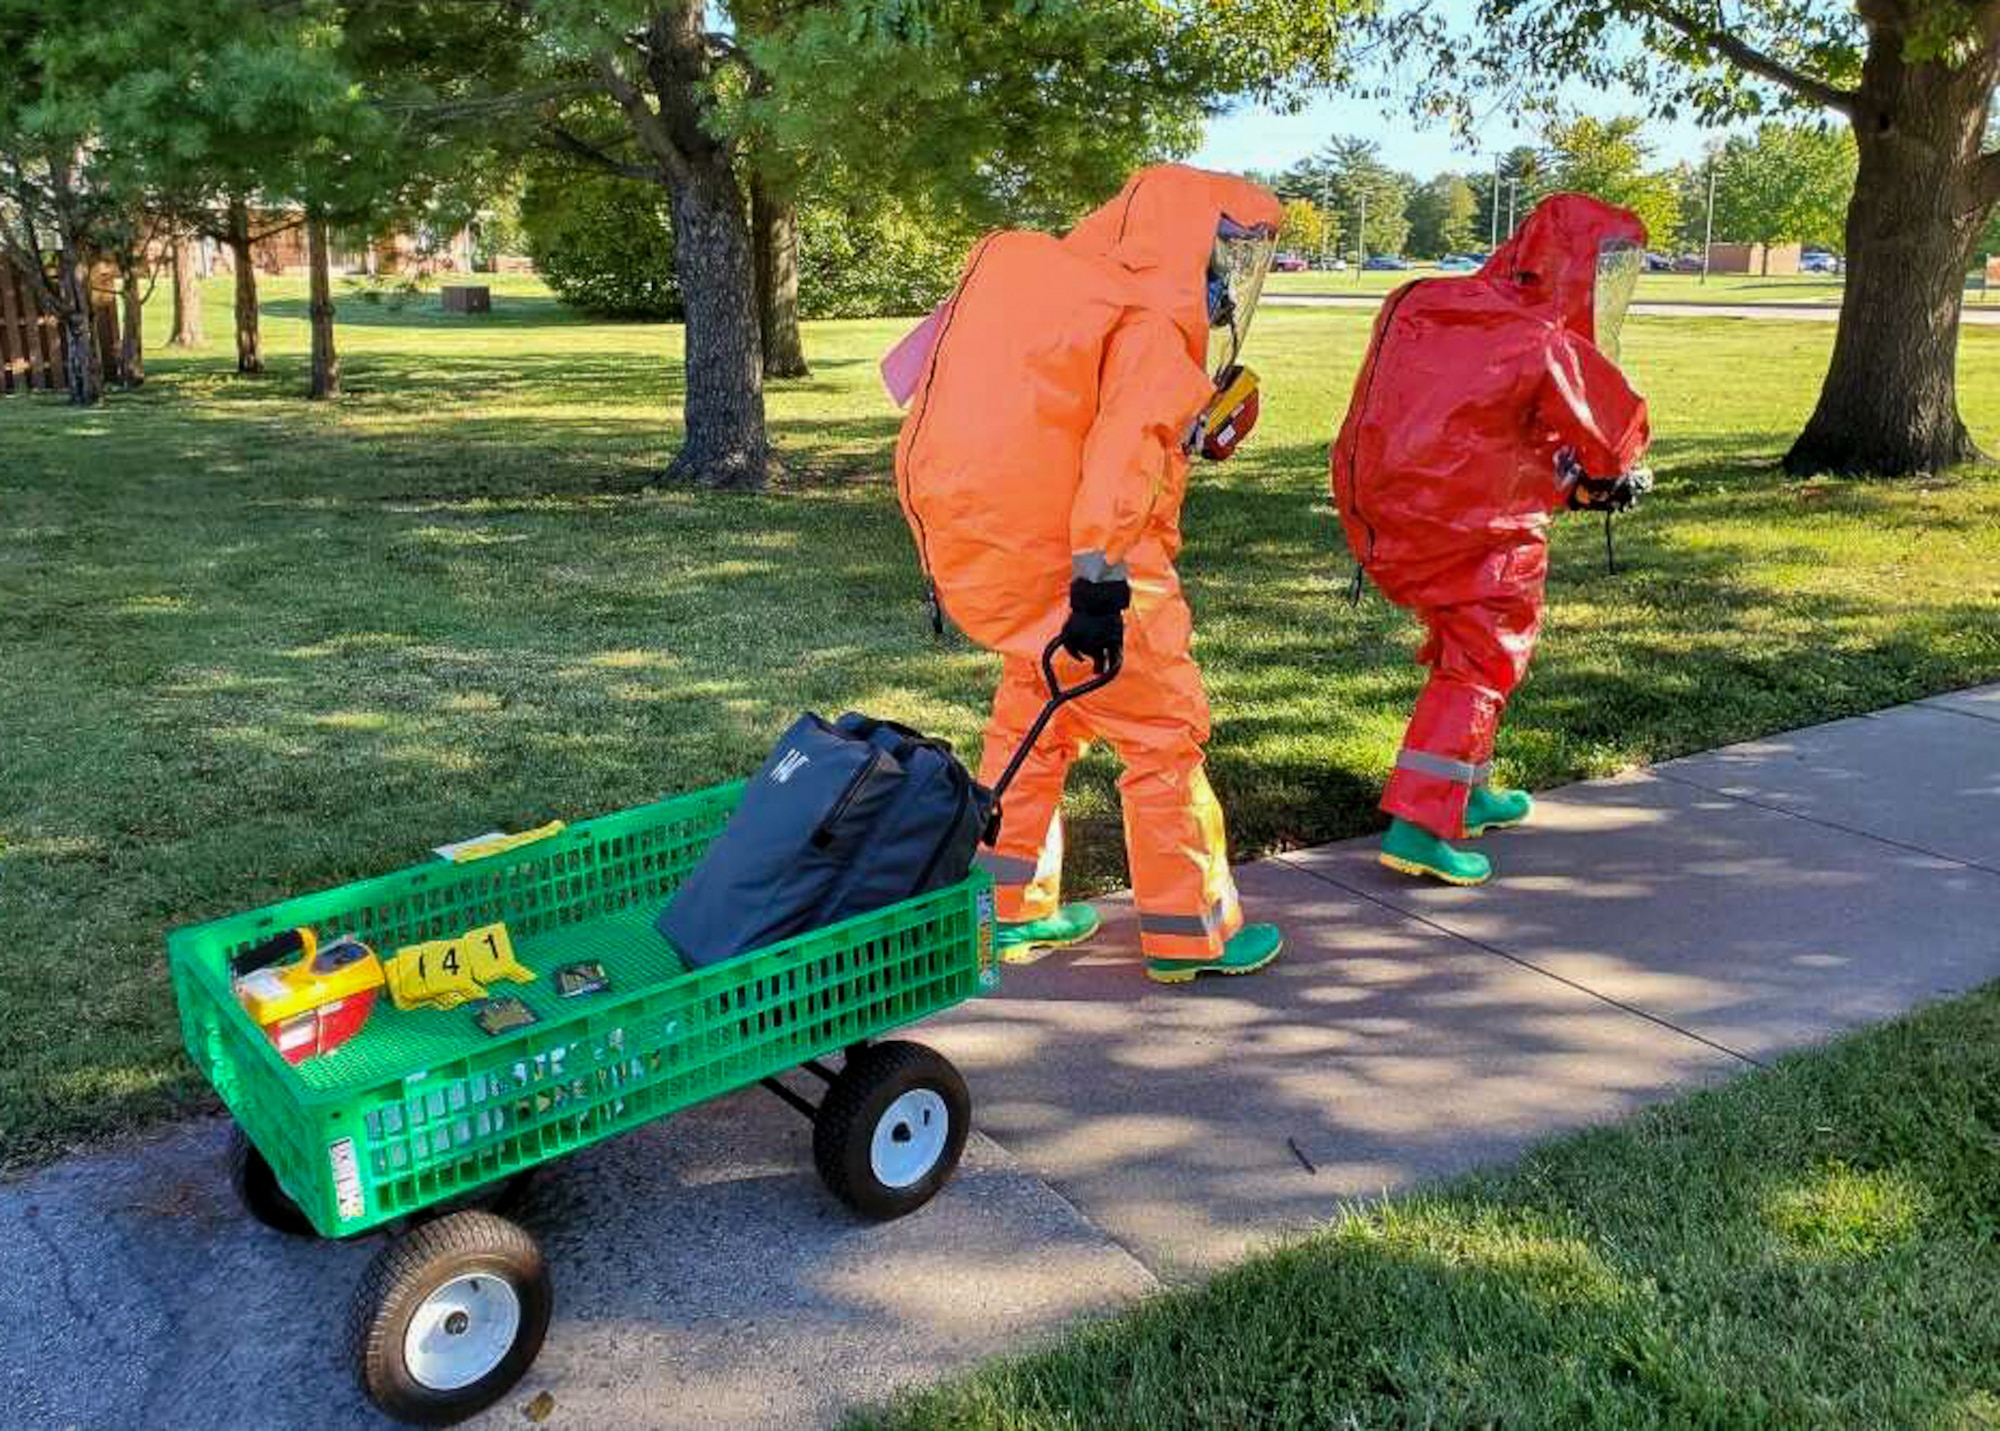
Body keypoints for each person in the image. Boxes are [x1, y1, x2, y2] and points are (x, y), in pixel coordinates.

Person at [889, 164, 1284, 984]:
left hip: (1026, 564)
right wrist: (1102, 583)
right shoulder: (1146, 327)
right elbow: (1119, 466)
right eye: (1227, 258)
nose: (1226, 286)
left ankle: (1007, 909)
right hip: (1100, 571)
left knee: (1032, 725)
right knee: (1163, 736)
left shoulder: (1066, 295)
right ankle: (1192, 930)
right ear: (1190, 247)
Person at [1329, 192, 1654, 886]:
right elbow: (1610, 430)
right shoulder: (1541, 339)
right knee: (1480, 665)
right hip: (1485, 529)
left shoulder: (1425, 303)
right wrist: (1614, 473)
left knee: (1461, 647)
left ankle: (1468, 790)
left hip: (1396, 515)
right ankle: (1421, 823)